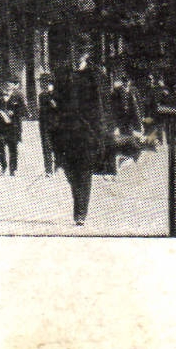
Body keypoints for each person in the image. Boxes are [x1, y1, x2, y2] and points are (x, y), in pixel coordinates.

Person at [55, 45, 112, 226]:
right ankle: (78, 201)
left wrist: (102, 131)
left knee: (84, 171)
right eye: (72, 52)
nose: (75, 56)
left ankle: (80, 212)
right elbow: (57, 101)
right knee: (70, 171)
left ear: (86, 55)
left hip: (88, 131)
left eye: (79, 52)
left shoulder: (95, 75)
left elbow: (102, 105)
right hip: (66, 131)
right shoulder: (63, 74)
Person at [0, 81, 25, 175]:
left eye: (11, 84)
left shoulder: (18, 97)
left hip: (13, 126)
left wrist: (14, 112)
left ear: (14, 86)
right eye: (7, 84)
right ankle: (3, 166)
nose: (8, 86)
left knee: (13, 148)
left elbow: (23, 110)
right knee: (0, 148)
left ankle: (13, 169)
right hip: (1, 127)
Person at [37, 76, 60, 176]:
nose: (44, 85)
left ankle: (58, 166)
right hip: (45, 125)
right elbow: (42, 110)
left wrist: (51, 96)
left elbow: (57, 107)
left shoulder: (58, 95)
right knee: (46, 147)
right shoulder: (42, 95)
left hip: (57, 125)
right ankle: (48, 170)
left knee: (57, 147)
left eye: (46, 83)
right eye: (43, 83)